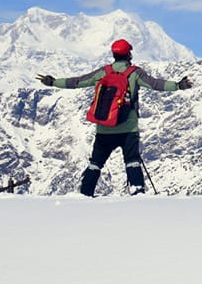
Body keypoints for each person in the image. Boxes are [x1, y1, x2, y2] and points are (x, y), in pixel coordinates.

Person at [36, 39, 193, 196]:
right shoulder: (134, 73)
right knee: (132, 160)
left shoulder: (103, 72)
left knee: (96, 163)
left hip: (104, 127)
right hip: (128, 127)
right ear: (129, 54)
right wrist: (178, 85)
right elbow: (155, 84)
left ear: (114, 54)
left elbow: (77, 81)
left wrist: (53, 82)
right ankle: (137, 191)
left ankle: (85, 193)